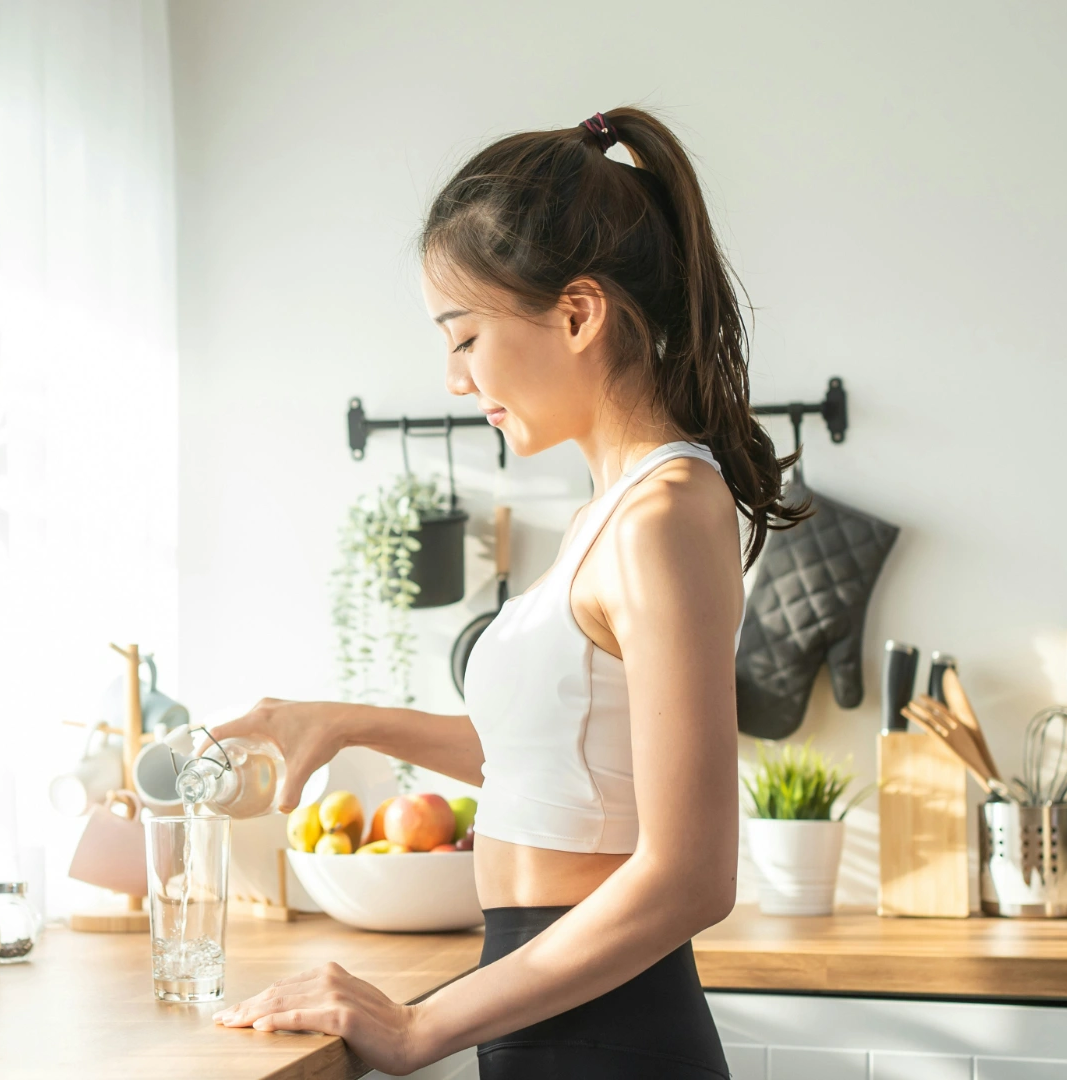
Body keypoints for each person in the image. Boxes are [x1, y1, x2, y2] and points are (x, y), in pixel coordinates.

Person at [207, 107, 808, 1079]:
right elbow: (560, 767)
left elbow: (692, 875)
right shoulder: (610, 514)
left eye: (466, 336)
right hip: (551, 1010)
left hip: (608, 1029)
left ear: (577, 313)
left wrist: (419, 1027)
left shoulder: (662, 513)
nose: (453, 378)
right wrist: (343, 719)